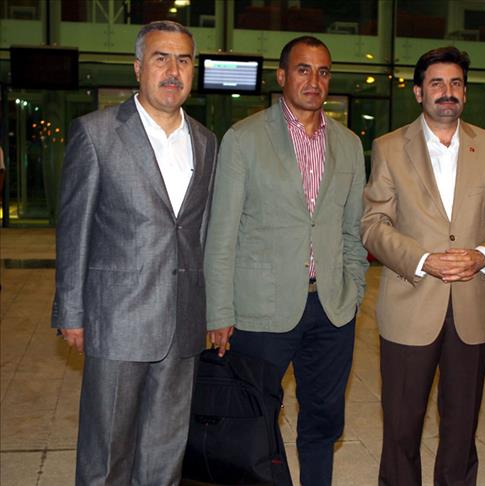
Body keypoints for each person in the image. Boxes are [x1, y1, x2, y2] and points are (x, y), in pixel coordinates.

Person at [51, 21, 217, 484]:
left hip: (183, 319)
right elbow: (74, 229)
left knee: (165, 453)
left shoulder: (206, 141)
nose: (173, 71)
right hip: (117, 319)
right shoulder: (96, 133)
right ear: (138, 67)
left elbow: (200, 232)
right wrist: (71, 311)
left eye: (183, 60)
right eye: (161, 59)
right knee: (107, 455)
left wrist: (213, 310)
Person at [203, 36, 368, 486]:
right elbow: (222, 234)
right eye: (303, 69)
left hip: (331, 309)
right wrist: (219, 312)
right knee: (254, 419)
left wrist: (354, 290)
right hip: (261, 308)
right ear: (281, 76)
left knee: (323, 420)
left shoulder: (349, 144)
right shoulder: (244, 138)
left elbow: (353, 230)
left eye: (323, 72)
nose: (314, 80)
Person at [361, 46, 485, 486]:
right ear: (418, 92)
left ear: (465, 93)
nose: (446, 92)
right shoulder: (389, 147)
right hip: (410, 305)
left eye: (455, 83)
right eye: (436, 83)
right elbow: (373, 224)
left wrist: (482, 256)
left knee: (461, 427)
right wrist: (423, 259)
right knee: (401, 425)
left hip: (473, 306)